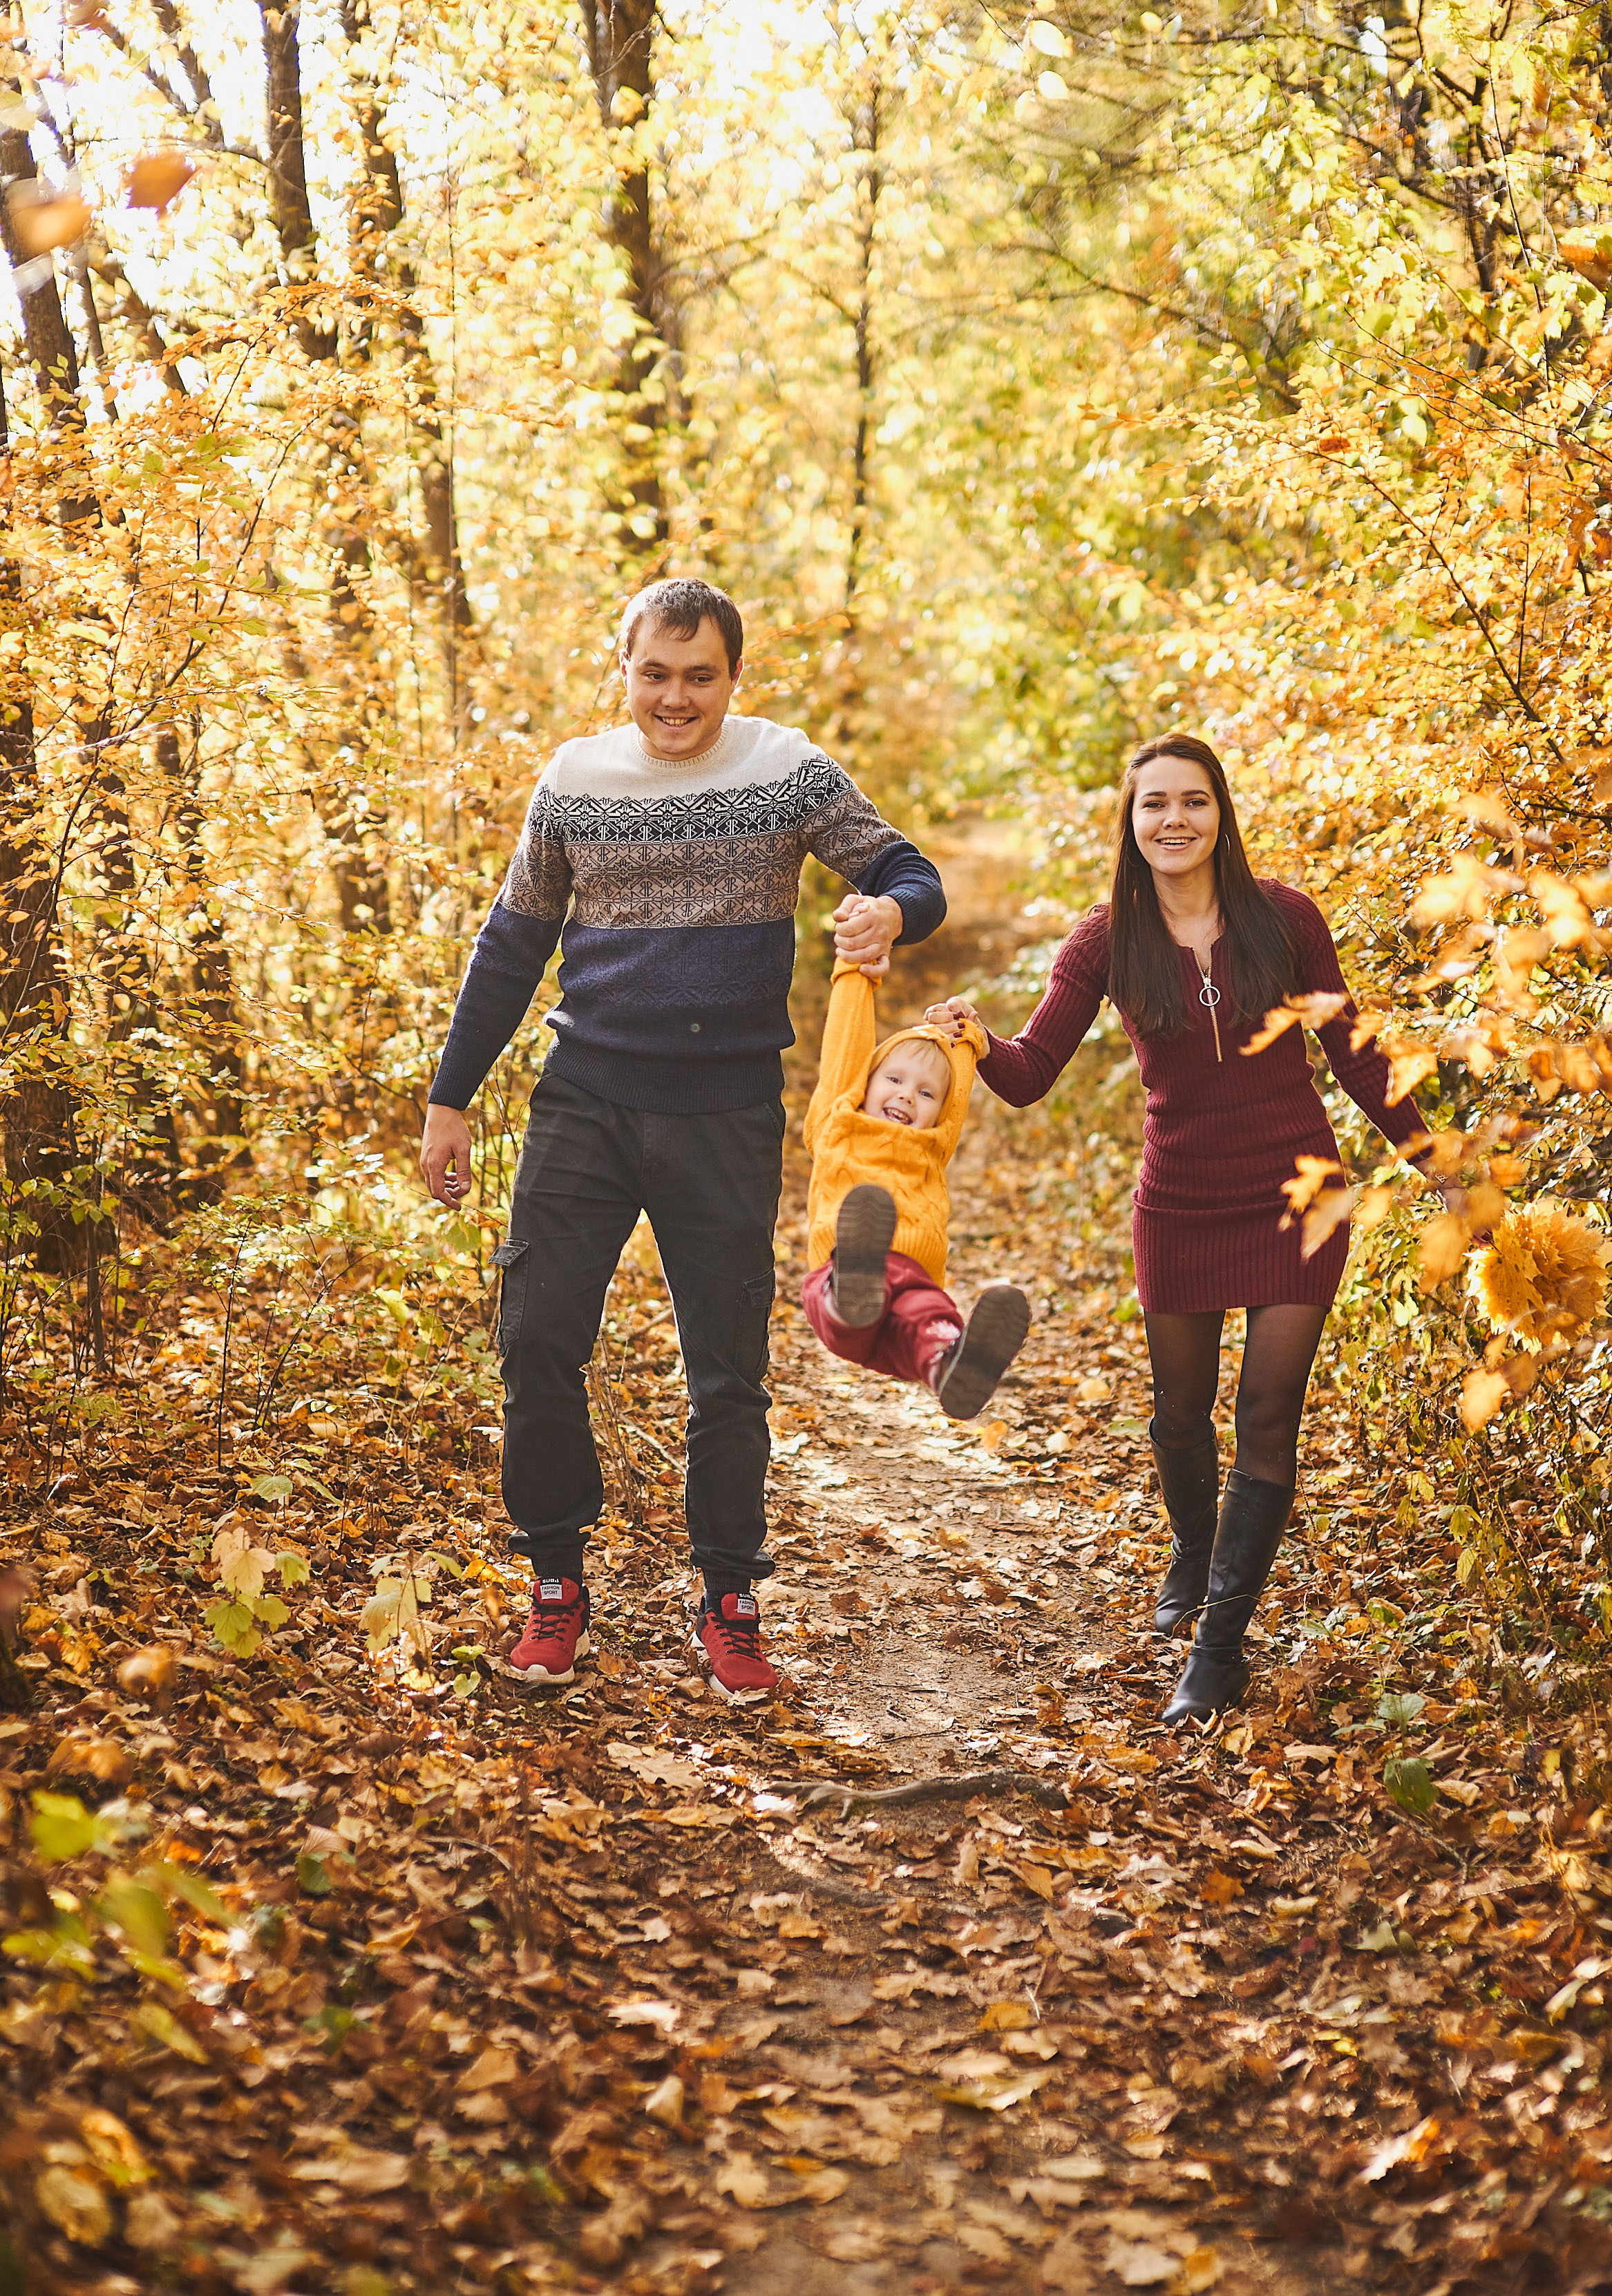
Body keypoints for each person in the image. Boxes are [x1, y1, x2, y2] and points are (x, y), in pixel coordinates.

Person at [419, 578, 945, 1706]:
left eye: (698, 675)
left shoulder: (784, 768)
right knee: (537, 1340)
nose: (674, 697)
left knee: (726, 1373)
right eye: (654, 673)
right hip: (584, 1105)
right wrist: (449, 1096)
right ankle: (554, 1587)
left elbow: (910, 872)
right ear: (624, 668)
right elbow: (510, 945)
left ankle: (729, 1603)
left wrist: (890, 911)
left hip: (724, 1116)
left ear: (731, 677)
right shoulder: (573, 781)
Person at [926, 733, 1432, 1725]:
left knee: (1269, 1413)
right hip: (1180, 1197)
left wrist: (1437, 1161)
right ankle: (1193, 1558)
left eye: (1192, 802)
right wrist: (977, 1039)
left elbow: (1357, 1056)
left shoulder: (1284, 920)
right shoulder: (1104, 939)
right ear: (1130, 821)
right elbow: (1030, 1075)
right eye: (1153, 804)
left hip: (1297, 1191)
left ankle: (1219, 1644)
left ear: (1220, 813)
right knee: (1177, 1408)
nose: (1173, 820)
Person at [802, 927, 1030, 1414]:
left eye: (926, 1093)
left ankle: (950, 1367)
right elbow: (844, 1045)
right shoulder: (838, 1123)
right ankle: (852, 1293)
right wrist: (855, 975)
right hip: (838, 1276)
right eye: (895, 1079)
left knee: (930, 1316)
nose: (908, 1094)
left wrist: (966, 1040)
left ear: (938, 1111)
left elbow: (957, 1097)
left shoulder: (932, 1144)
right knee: (851, 1296)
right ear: (866, 1083)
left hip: (910, 1287)